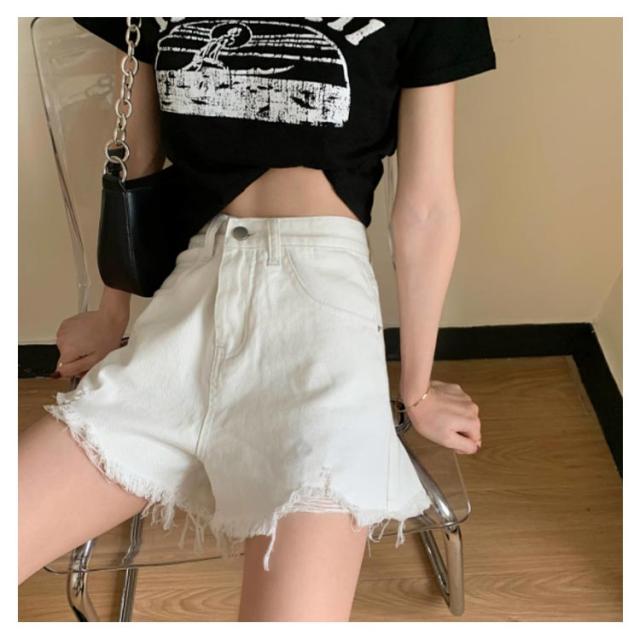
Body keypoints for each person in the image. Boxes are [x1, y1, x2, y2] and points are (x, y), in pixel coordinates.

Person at [19, 17, 495, 621]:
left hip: (322, 329)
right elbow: (135, 158)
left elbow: (426, 208)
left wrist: (416, 387)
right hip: (188, 304)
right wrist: (112, 310)